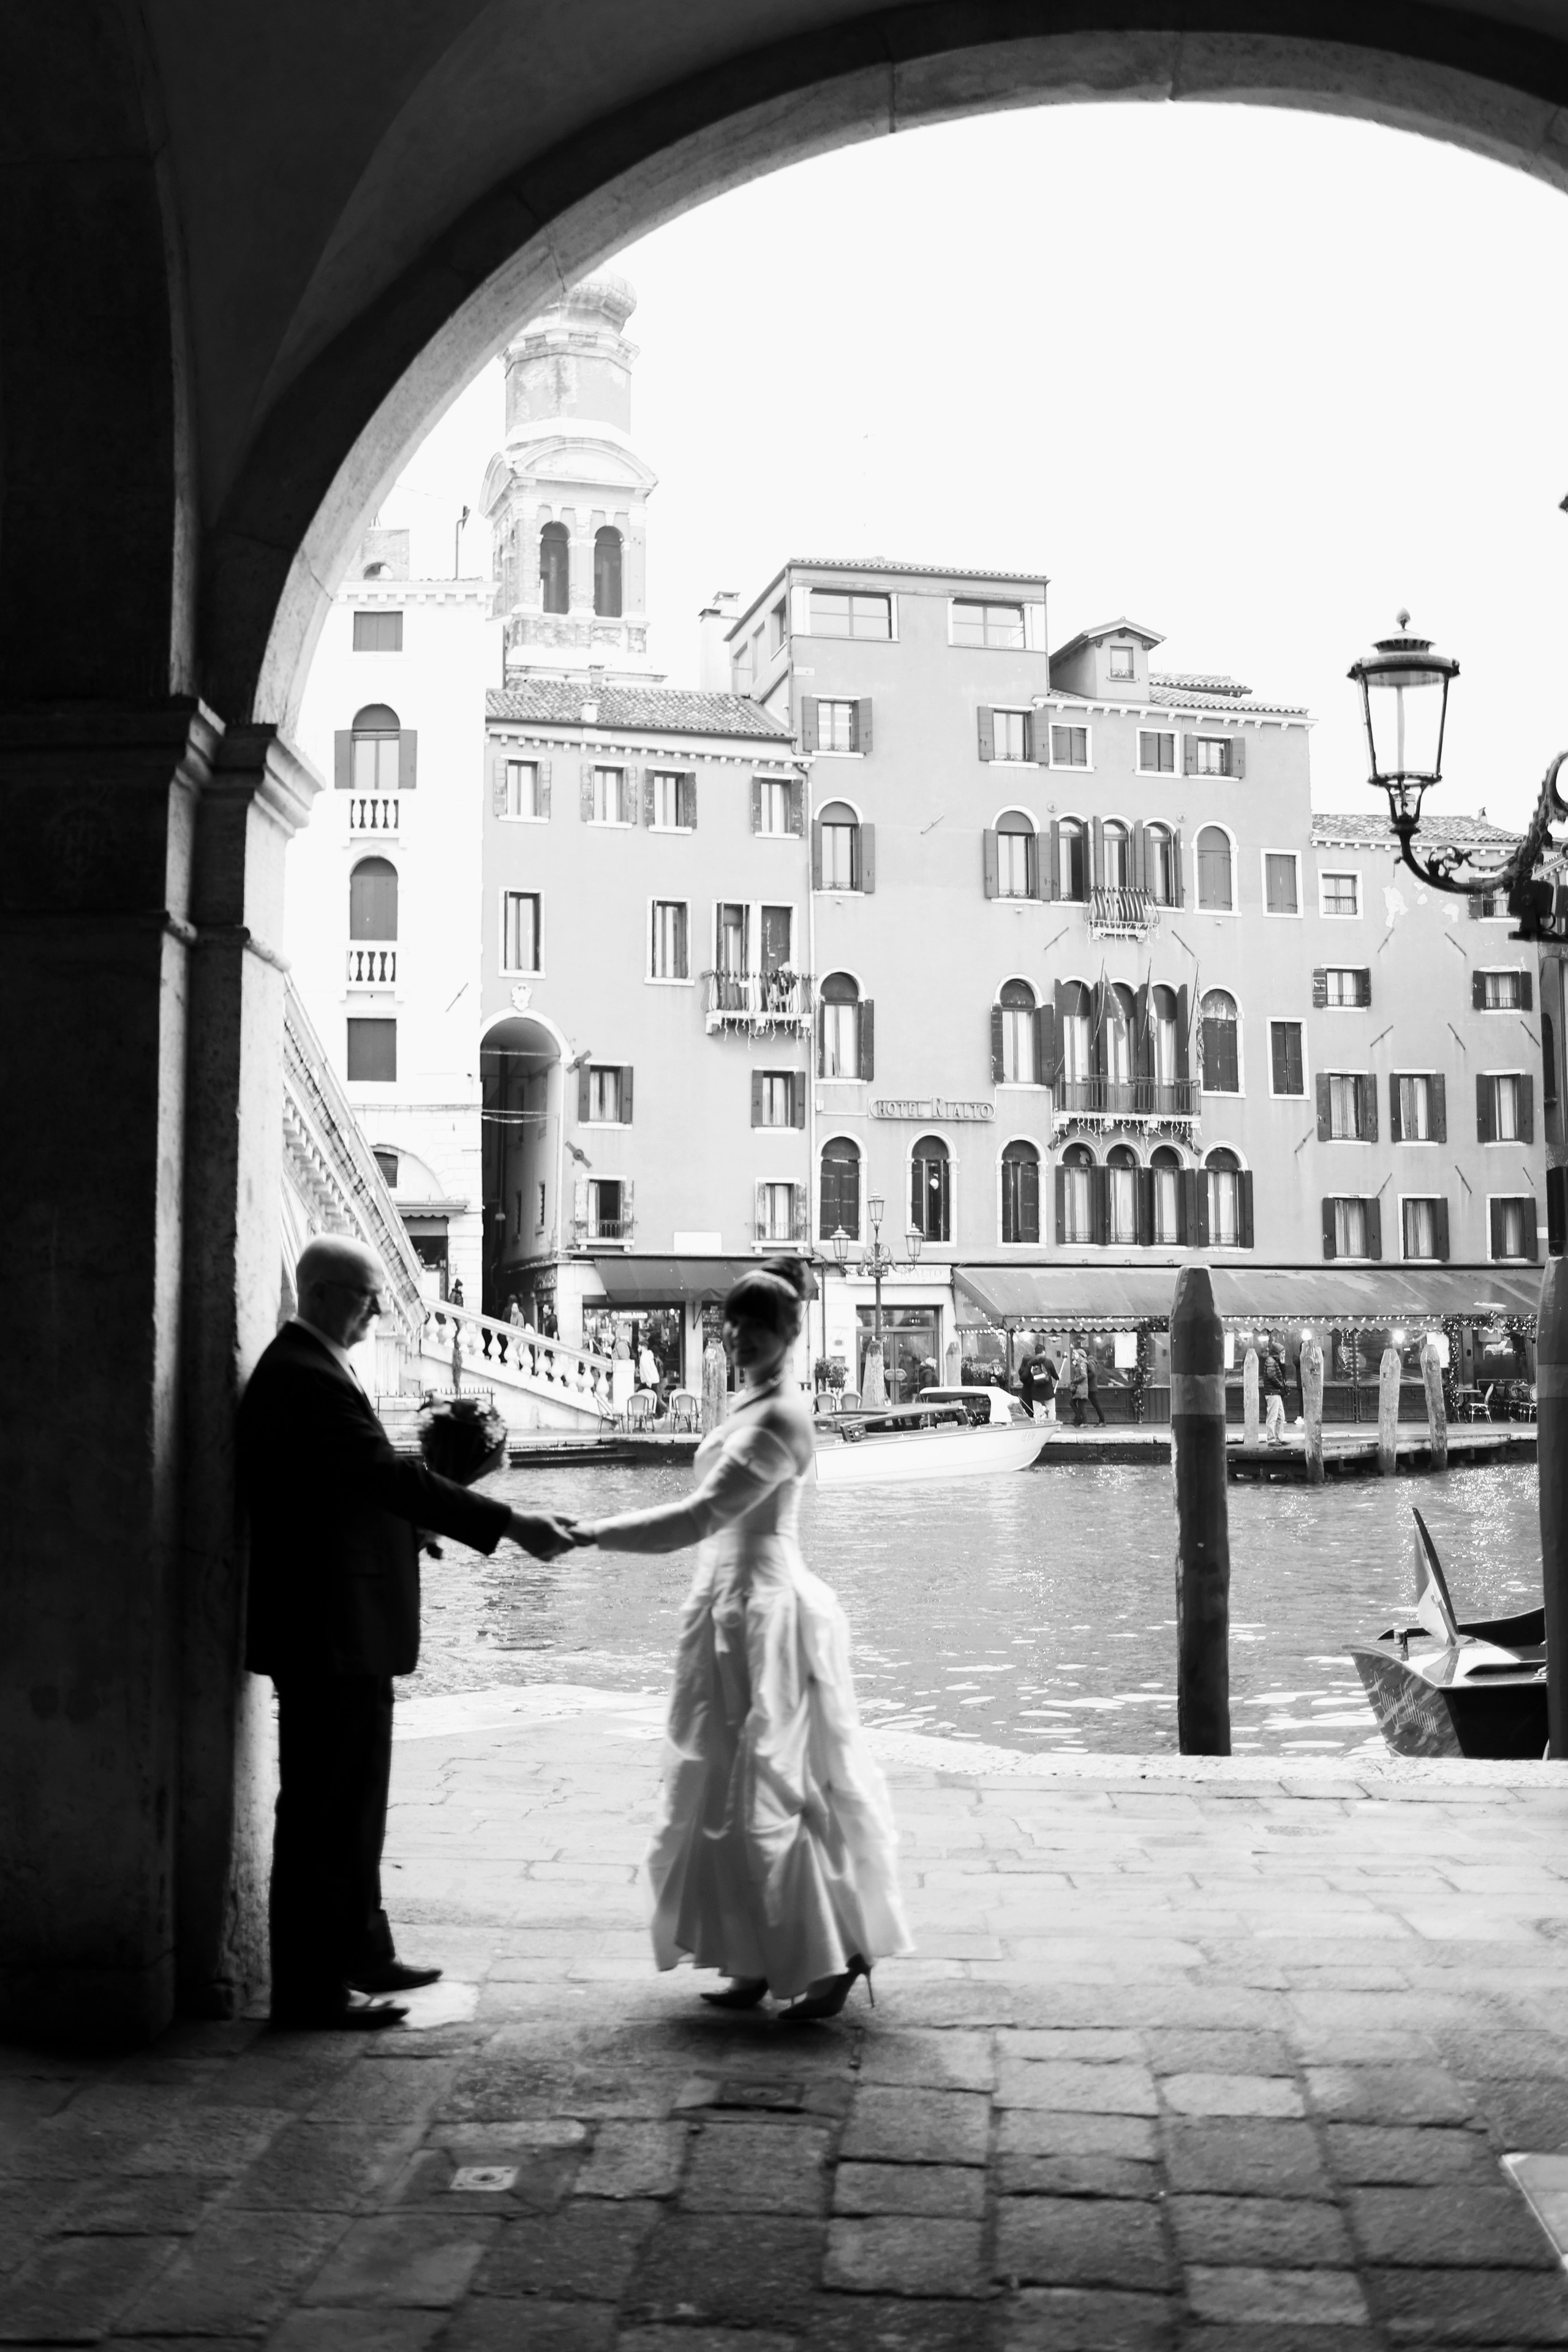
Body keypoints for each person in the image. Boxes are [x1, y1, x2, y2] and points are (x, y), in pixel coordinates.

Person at [238, 1235, 578, 2031]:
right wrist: (510, 1522)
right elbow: (384, 1476)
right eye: (367, 1298)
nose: (377, 1312)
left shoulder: (312, 1369)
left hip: (342, 1626)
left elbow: (344, 1493)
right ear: (323, 1294)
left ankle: (360, 1949)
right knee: (324, 1811)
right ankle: (310, 1992)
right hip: (329, 1631)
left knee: (352, 1804)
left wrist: (411, 1527)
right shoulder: (306, 1376)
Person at [568, 1259, 912, 2019]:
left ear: (790, 1332)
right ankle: (753, 1956)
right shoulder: (750, 1399)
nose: (742, 1337)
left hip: (765, 1611)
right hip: (723, 1607)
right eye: (736, 1325)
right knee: (721, 1782)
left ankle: (835, 1954)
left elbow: (698, 1517)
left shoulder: (784, 1416)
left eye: (759, 1327)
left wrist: (588, 1533)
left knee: (773, 1784)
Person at [1261, 1336, 1287, 1446]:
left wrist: (1282, 1364)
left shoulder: (1274, 1361)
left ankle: (1279, 1438)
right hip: (1272, 1393)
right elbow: (1271, 1375)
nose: (1284, 1355)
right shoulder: (1271, 1361)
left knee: (1281, 1417)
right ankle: (1271, 1439)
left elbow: (1281, 1374)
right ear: (1277, 1353)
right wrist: (1280, 1385)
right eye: (1283, 1353)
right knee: (1273, 1417)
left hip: (1275, 1392)